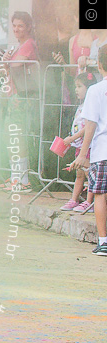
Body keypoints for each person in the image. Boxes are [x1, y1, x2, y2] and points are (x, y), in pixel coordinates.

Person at [70, 47, 107, 256]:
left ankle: (104, 242)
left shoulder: (95, 90)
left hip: (102, 152)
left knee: (100, 195)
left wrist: (83, 154)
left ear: (99, 65)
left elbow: (90, 125)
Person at [0, 11, 39, 192]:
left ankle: (22, 179)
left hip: (23, 96)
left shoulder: (29, 44)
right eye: (14, 25)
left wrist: (6, 62)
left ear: (29, 27)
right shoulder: (17, 46)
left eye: (20, 26)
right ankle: (16, 176)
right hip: (14, 95)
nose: (16, 29)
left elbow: (16, 66)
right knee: (11, 135)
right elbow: (5, 69)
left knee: (16, 135)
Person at [59, 71, 97, 213]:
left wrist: (73, 138)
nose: (76, 89)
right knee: (79, 173)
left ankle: (90, 201)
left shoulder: (90, 106)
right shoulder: (81, 105)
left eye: (80, 86)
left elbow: (88, 127)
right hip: (79, 146)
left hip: (87, 146)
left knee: (89, 173)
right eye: (76, 86)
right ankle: (74, 199)